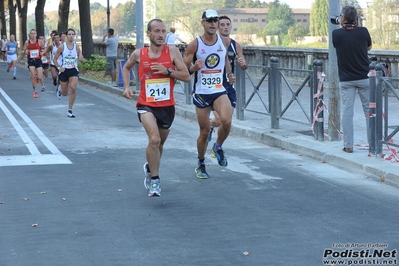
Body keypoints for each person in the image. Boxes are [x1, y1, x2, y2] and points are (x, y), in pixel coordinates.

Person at [122, 18, 190, 197]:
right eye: (157, 31)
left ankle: (149, 166)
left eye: (163, 31)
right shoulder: (139, 54)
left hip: (167, 107)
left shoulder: (173, 51)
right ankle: (155, 180)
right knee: (154, 139)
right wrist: (127, 87)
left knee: (159, 144)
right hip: (146, 105)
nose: (161, 35)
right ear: (149, 33)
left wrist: (167, 71)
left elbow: (186, 76)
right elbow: (126, 68)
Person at [184, 10, 235, 179]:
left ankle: (218, 146)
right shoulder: (195, 44)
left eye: (216, 21)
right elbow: (183, 71)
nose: (213, 24)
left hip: (219, 89)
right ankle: (200, 162)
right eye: (210, 20)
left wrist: (229, 74)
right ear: (203, 23)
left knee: (226, 121)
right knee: (204, 132)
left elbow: (225, 59)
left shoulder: (224, 41)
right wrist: (193, 68)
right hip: (202, 93)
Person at [332, 5, 372, 153]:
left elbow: (338, 45)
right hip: (364, 77)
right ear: (356, 19)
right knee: (369, 112)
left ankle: (348, 145)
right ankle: (372, 145)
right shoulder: (363, 31)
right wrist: (358, 27)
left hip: (346, 79)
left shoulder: (337, 34)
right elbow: (368, 47)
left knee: (347, 112)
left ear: (342, 18)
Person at [208, 15, 248, 143]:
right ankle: (209, 126)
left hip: (229, 86)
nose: (225, 27)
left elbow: (244, 66)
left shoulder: (236, 46)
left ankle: (218, 145)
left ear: (231, 27)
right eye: (222, 25)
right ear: (218, 27)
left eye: (227, 25)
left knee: (227, 122)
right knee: (219, 120)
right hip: (214, 86)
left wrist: (242, 63)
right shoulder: (211, 43)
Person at [53, 28, 84, 118]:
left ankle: (69, 110)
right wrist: (59, 68)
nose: (71, 36)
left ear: (74, 36)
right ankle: (60, 89)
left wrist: (81, 58)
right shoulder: (62, 47)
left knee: (73, 88)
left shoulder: (77, 47)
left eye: (72, 34)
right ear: (66, 36)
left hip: (73, 70)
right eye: (69, 34)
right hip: (64, 71)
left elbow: (80, 56)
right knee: (65, 93)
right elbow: (54, 59)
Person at [22, 29, 45, 98]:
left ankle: (38, 79)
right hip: (31, 60)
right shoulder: (27, 42)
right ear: (30, 35)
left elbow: (44, 48)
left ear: (36, 34)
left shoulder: (39, 41)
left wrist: (42, 52)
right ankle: (35, 91)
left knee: (40, 77)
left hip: (38, 60)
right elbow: (23, 50)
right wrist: (25, 52)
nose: (33, 35)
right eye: (31, 33)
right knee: (33, 76)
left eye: (34, 33)